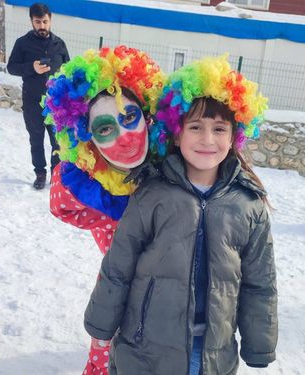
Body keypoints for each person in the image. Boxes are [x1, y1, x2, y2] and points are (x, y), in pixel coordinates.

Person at [84, 55, 277, 374]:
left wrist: (260, 342)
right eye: (196, 127)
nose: (207, 139)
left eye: (219, 129)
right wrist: (101, 325)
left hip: (213, 353)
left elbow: (261, 281)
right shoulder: (151, 193)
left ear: (233, 137)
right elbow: (119, 265)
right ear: (176, 133)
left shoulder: (249, 204)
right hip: (146, 349)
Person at [43, 46, 164, 375]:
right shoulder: (94, 187)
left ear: (147, 114)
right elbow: (61, 205)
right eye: (106, 128)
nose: (125, 137)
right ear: (87, 139)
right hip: (117, 295)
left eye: (130, 118)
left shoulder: (169, 165)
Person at [7, 3, 69, 190]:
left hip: (55, 103)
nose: (42, 26)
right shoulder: (22, 43)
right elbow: (11, 67)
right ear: (31, 21)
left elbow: (68, 68)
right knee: (36, 138)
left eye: (45, 21)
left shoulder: (59, 44)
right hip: (32, 100)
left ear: (50, 20)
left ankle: (56, 175)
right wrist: (31, 68)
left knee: (58, 140)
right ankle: (40, 173)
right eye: (38, 22)